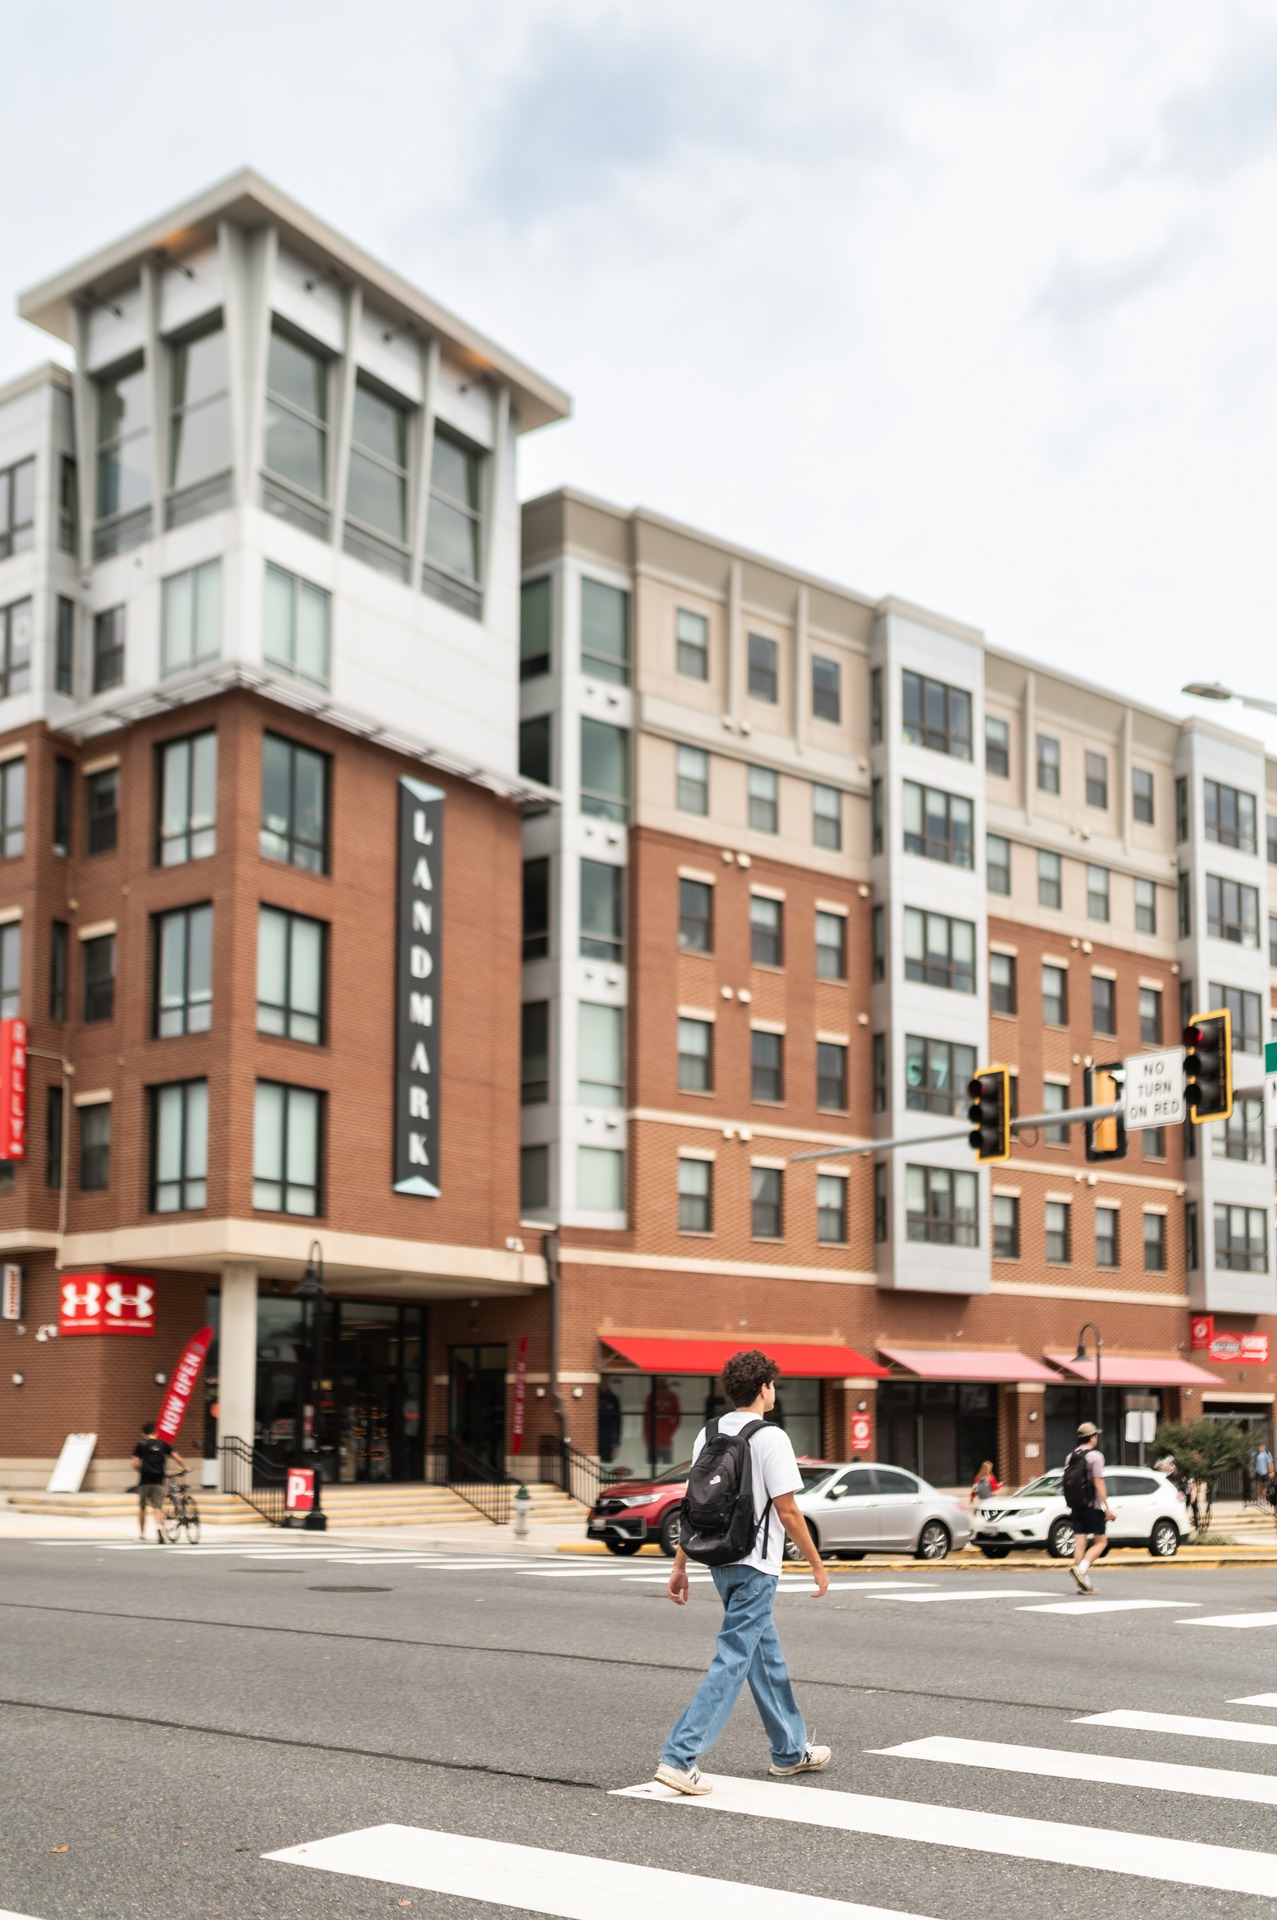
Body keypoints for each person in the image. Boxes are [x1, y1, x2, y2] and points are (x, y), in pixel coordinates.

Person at [654, 1349, 830, 1796]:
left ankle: (790, 1751)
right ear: (764, 1387)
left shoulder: (707, 1434)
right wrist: (816, 1564)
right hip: (756, 1565)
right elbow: (788, 1510)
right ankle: (679, 1756)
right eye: (774, 1384)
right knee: (734, 1657)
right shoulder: (771, 1437)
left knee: (763, 1656)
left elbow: (695, 1505)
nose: (775, 1391)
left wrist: (681, 1564)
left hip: (718, 1560)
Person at [1064, 1420, 1112, 1593]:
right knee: (1101, 1542)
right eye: (1096, 1435)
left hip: (1076, 1505)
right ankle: (1081, 1569)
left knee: (1080, 1543)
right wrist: (1107, 1506)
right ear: (1092, 1438)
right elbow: (1098, 1481)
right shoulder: (1095, 1456)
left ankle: (1084, 1584)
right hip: (1093, 1506)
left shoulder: (1070, 1456)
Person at [132, 1421, 184, 1543]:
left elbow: (133, 1463)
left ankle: (142, 1534)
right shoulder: (163, 1444)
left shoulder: (141, 1445)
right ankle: (159, 1527)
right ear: (156, 1432)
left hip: (144, 1481)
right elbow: (177, 1457)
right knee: (158, 1507)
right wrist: (185, 1466)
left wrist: (141, 1471)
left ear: (143, 1433)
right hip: (158, 1480)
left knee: (142, 1507)